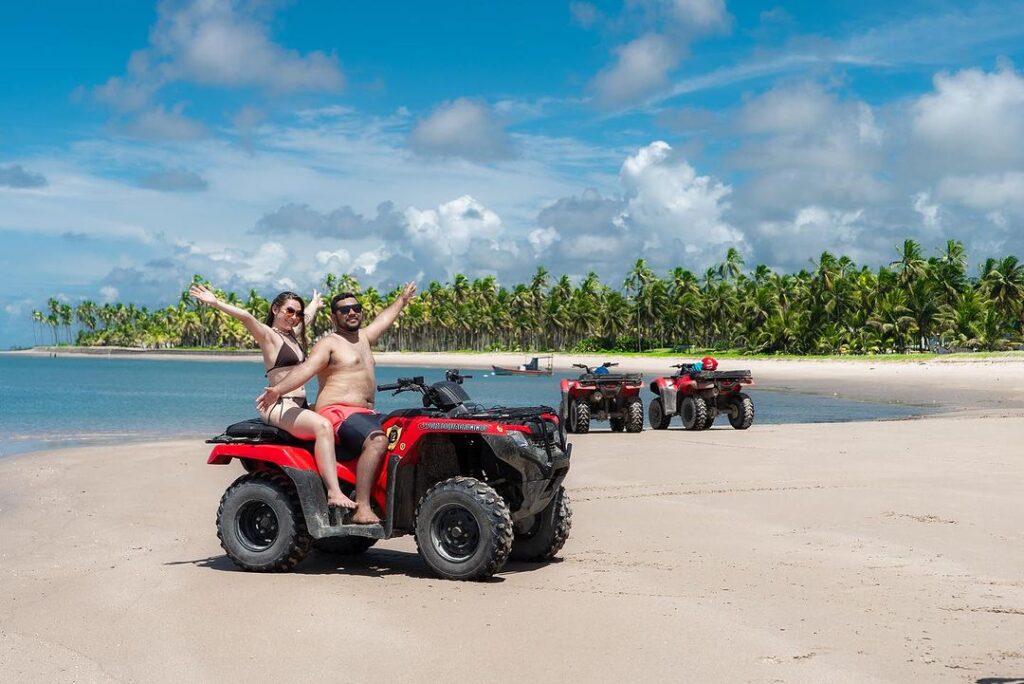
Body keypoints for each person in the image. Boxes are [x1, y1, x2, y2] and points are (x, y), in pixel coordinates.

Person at [256, 282, 417, 525]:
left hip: (364, 412)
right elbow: (306, 370)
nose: (351, 312)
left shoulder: (364, 338)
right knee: (377, 440)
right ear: (334, 317)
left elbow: (384, 320)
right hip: (336, 412)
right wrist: (277, 390)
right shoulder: (329, 343)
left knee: (406, 429)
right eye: (344, 310)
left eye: (355, 308)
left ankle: (384, 497)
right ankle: (361, 507)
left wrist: (402, 301)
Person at [189, 284, 357, 512]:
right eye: (289, 311)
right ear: (275, 309)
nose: (294, 317)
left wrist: (314, 305)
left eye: (297, 313)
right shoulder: (268, 336)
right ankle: (333, 492)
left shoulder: (291, 336)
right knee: (323, 427)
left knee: (339, 413)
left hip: (299, 406)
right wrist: (215, 302)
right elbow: (247, 317)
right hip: (279, 405)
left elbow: (305, 316)